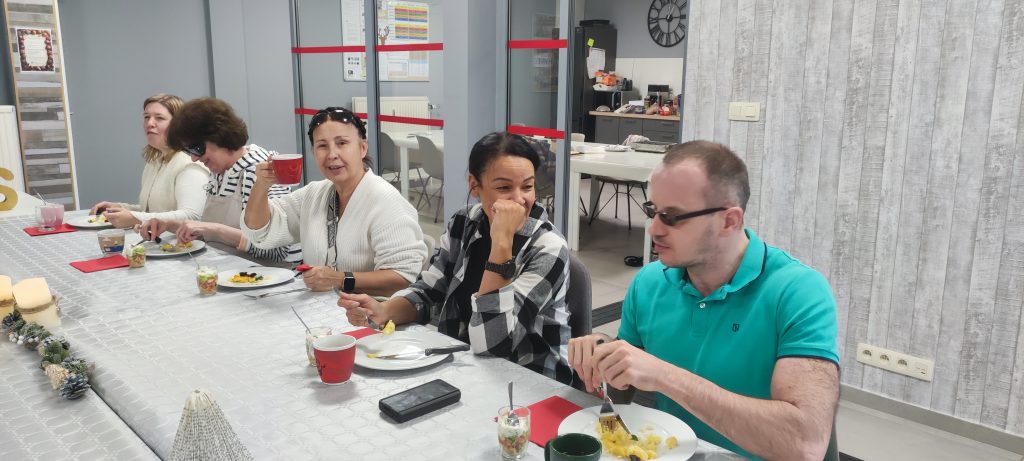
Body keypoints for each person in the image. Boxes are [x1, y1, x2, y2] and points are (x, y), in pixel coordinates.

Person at [567, 140, 839, 460]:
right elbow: (621, 391)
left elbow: (805, 445)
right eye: (652, 211)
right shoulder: (650, 282)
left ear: (729, 221)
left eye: (673, 217)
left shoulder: (798, 292)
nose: (653, 229)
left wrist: (665, 375)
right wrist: (603, 352)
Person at [338, 132, 572, 384]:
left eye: (527, 186)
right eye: (504, 187)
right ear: (474, 186)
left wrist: (501, 242)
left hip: (532, 384)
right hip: (464, 367)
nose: (519, 199)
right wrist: (384, 311)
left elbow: (494, 346)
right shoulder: (464, 222)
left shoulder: (548, 248)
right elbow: (429, 291)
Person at [241, 107, 426, 295]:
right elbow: (260, 230)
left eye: (342, 143)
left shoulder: (386, 201)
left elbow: (402, 278)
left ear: (362, 148)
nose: (332, 154)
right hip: (324, 309)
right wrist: (261, 185)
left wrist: (340, 279)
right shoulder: (314, 194)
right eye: (322, 146)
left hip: (374, 317)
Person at [138, 97, 300, 263]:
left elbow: (277, 251)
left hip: (270, 277)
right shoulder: (221, 171)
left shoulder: (261, 170)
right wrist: (170, 224)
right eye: (189, 151)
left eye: (197, 148)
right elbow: (208, 231)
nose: (194, 158)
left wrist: (214, 230)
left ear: (219, 135)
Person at [90, 94, 209, 228]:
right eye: (147, 117)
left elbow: (192, 216)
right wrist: (119, 209)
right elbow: (153, 211)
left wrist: (134, 218)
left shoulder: (190, 165)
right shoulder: (154, 162)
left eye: (159, 118)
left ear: (179, 125)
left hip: (185, 246)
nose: (149, 123)